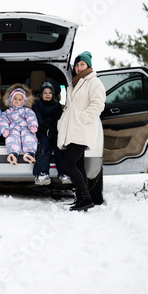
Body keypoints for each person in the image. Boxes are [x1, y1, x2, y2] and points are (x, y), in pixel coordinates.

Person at [57, 51, 106, 211]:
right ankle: (82, 198)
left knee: (68, 163)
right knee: (79, 165)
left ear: (88, 66)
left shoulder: (94, 82)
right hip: (73, 130)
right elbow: (68, 107)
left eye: (82, 64)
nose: (79, 67)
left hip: (82, 129)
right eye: (77, 65)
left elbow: (98, 104)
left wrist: (82, 118)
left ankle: (85, 196)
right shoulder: (74, 84)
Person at [32, 81, 70, 185]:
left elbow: (59, 119)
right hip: (42, 130)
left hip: (54, 130)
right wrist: (46, 130)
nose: (47, 94)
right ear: (41, 94)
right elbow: (38, 118)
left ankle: (63, 173)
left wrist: (54, 130)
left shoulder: (57, 106)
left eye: (50, 92)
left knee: (59, 146)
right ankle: (42, 173)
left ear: (53, 94)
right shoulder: (37, 105)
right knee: (45, 146)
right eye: (45, 92)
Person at [0, 84, 38, 165]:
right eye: (15, 98)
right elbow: (3, 121)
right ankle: (13, 154)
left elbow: (31, 117)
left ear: (24, 101)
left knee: (29, 136)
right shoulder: (7, 112)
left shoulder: (26, 110)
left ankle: (29, 153)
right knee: (12, 138)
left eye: (20, 99)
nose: (17, 101)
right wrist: (5, 130)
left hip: (25, 128)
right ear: (10, 100)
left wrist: (32, 126)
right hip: (13, 129)